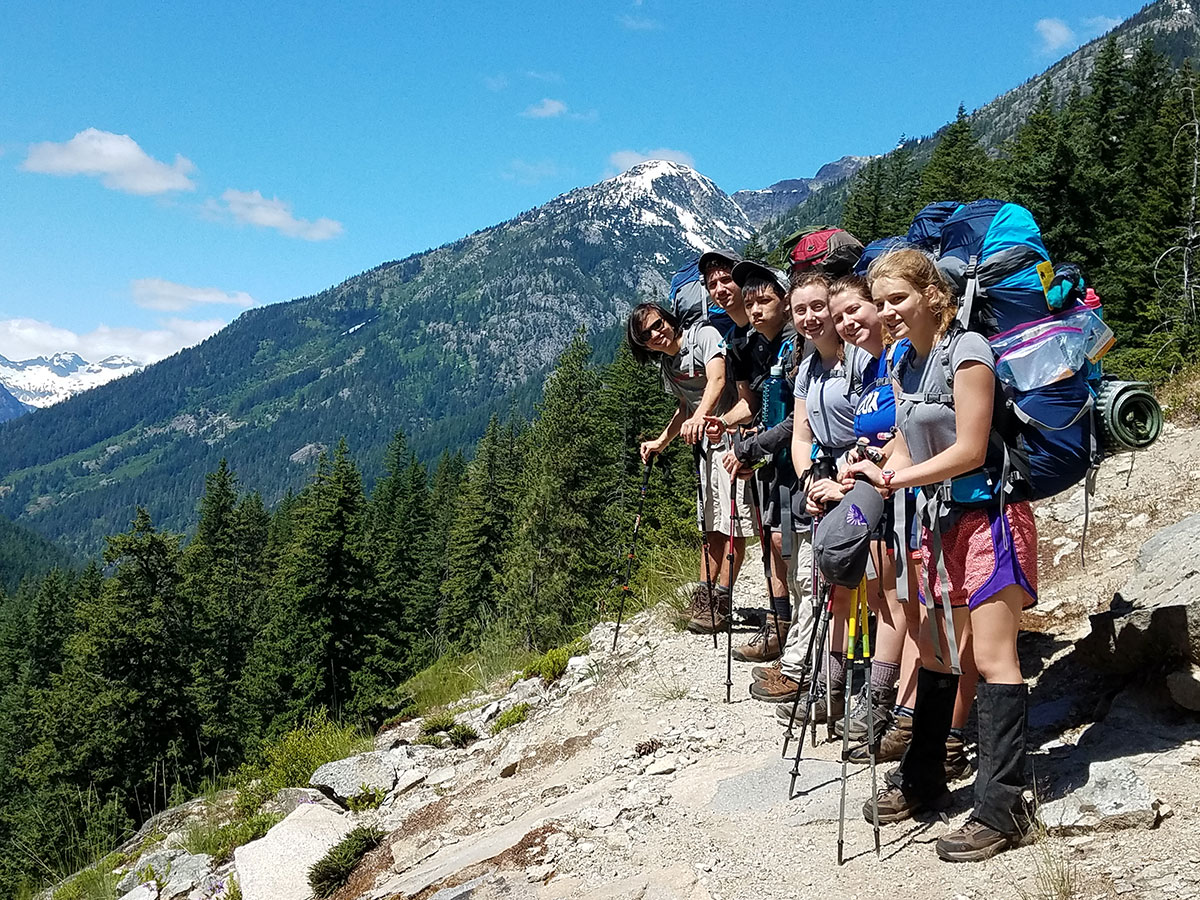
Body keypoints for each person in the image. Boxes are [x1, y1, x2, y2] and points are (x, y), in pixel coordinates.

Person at [847, 248, 1036, 862]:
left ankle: (1003, 806)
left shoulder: (969, 352)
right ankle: (925, 779)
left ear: (933, 295)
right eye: (880, 302)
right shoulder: (910, 361)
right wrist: (872, 468)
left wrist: (900, 481)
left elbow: (973, 450)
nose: (886, 313)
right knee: (934, 651)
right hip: (942, 523)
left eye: (897, 298)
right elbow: (909, 444)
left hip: (992, 520)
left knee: (991, 654)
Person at [771, 272, 870, 728]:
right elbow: (801, 432)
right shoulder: (808, 367)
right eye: (799, 310)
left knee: (860, 586)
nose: (809, 318)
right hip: (822, 478)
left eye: (817, 307)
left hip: (861, 478)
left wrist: (841, 479)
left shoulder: (863, 362)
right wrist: (810, 477)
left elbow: (878, 428)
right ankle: (830, 688)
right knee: (824, 585)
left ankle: (857, 686)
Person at [629, 302, 751, 634]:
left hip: (731, 433)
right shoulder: (669, 364)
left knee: (732, 524)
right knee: (710, 524)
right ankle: (703, 600)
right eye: (647, 335)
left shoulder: (704, 336)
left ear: (669, 319)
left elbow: (717, 378)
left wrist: (701, 417)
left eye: (658, 325)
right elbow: (685, 405)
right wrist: (660, 442)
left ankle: (721, 606)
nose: (657, 334)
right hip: (706, 444)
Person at [705, 260, 797, 670]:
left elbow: (799, 415)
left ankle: (797, 630)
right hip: (768, 451)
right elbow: (752, 403)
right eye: (751, 302)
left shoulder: (798, 343)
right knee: (770, 537)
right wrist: (725, 425)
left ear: (784, 300)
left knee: (790, 542)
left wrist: (751, 446)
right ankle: (780, 623)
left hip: (793, 454)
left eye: (764, 300)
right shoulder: (745, 344)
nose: (756, 309)